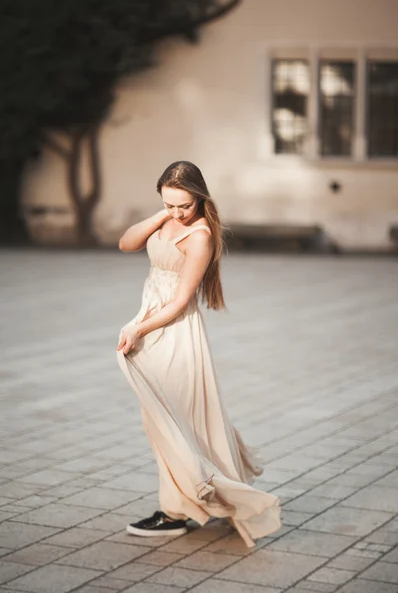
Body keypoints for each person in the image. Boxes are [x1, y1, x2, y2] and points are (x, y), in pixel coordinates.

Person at [116, 161, 280, 547]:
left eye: (183, 206)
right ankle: (212, 496)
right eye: (169, 204)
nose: (177, 213)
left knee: (168, 421)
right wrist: (161, 215)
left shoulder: (200, 236)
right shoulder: (166, 218)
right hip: (150, 326)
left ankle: (176, 512)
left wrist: (138, 328)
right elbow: (125, 243)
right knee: (165, 420)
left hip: (172, 333)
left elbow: (180, 302)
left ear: (199, 199)